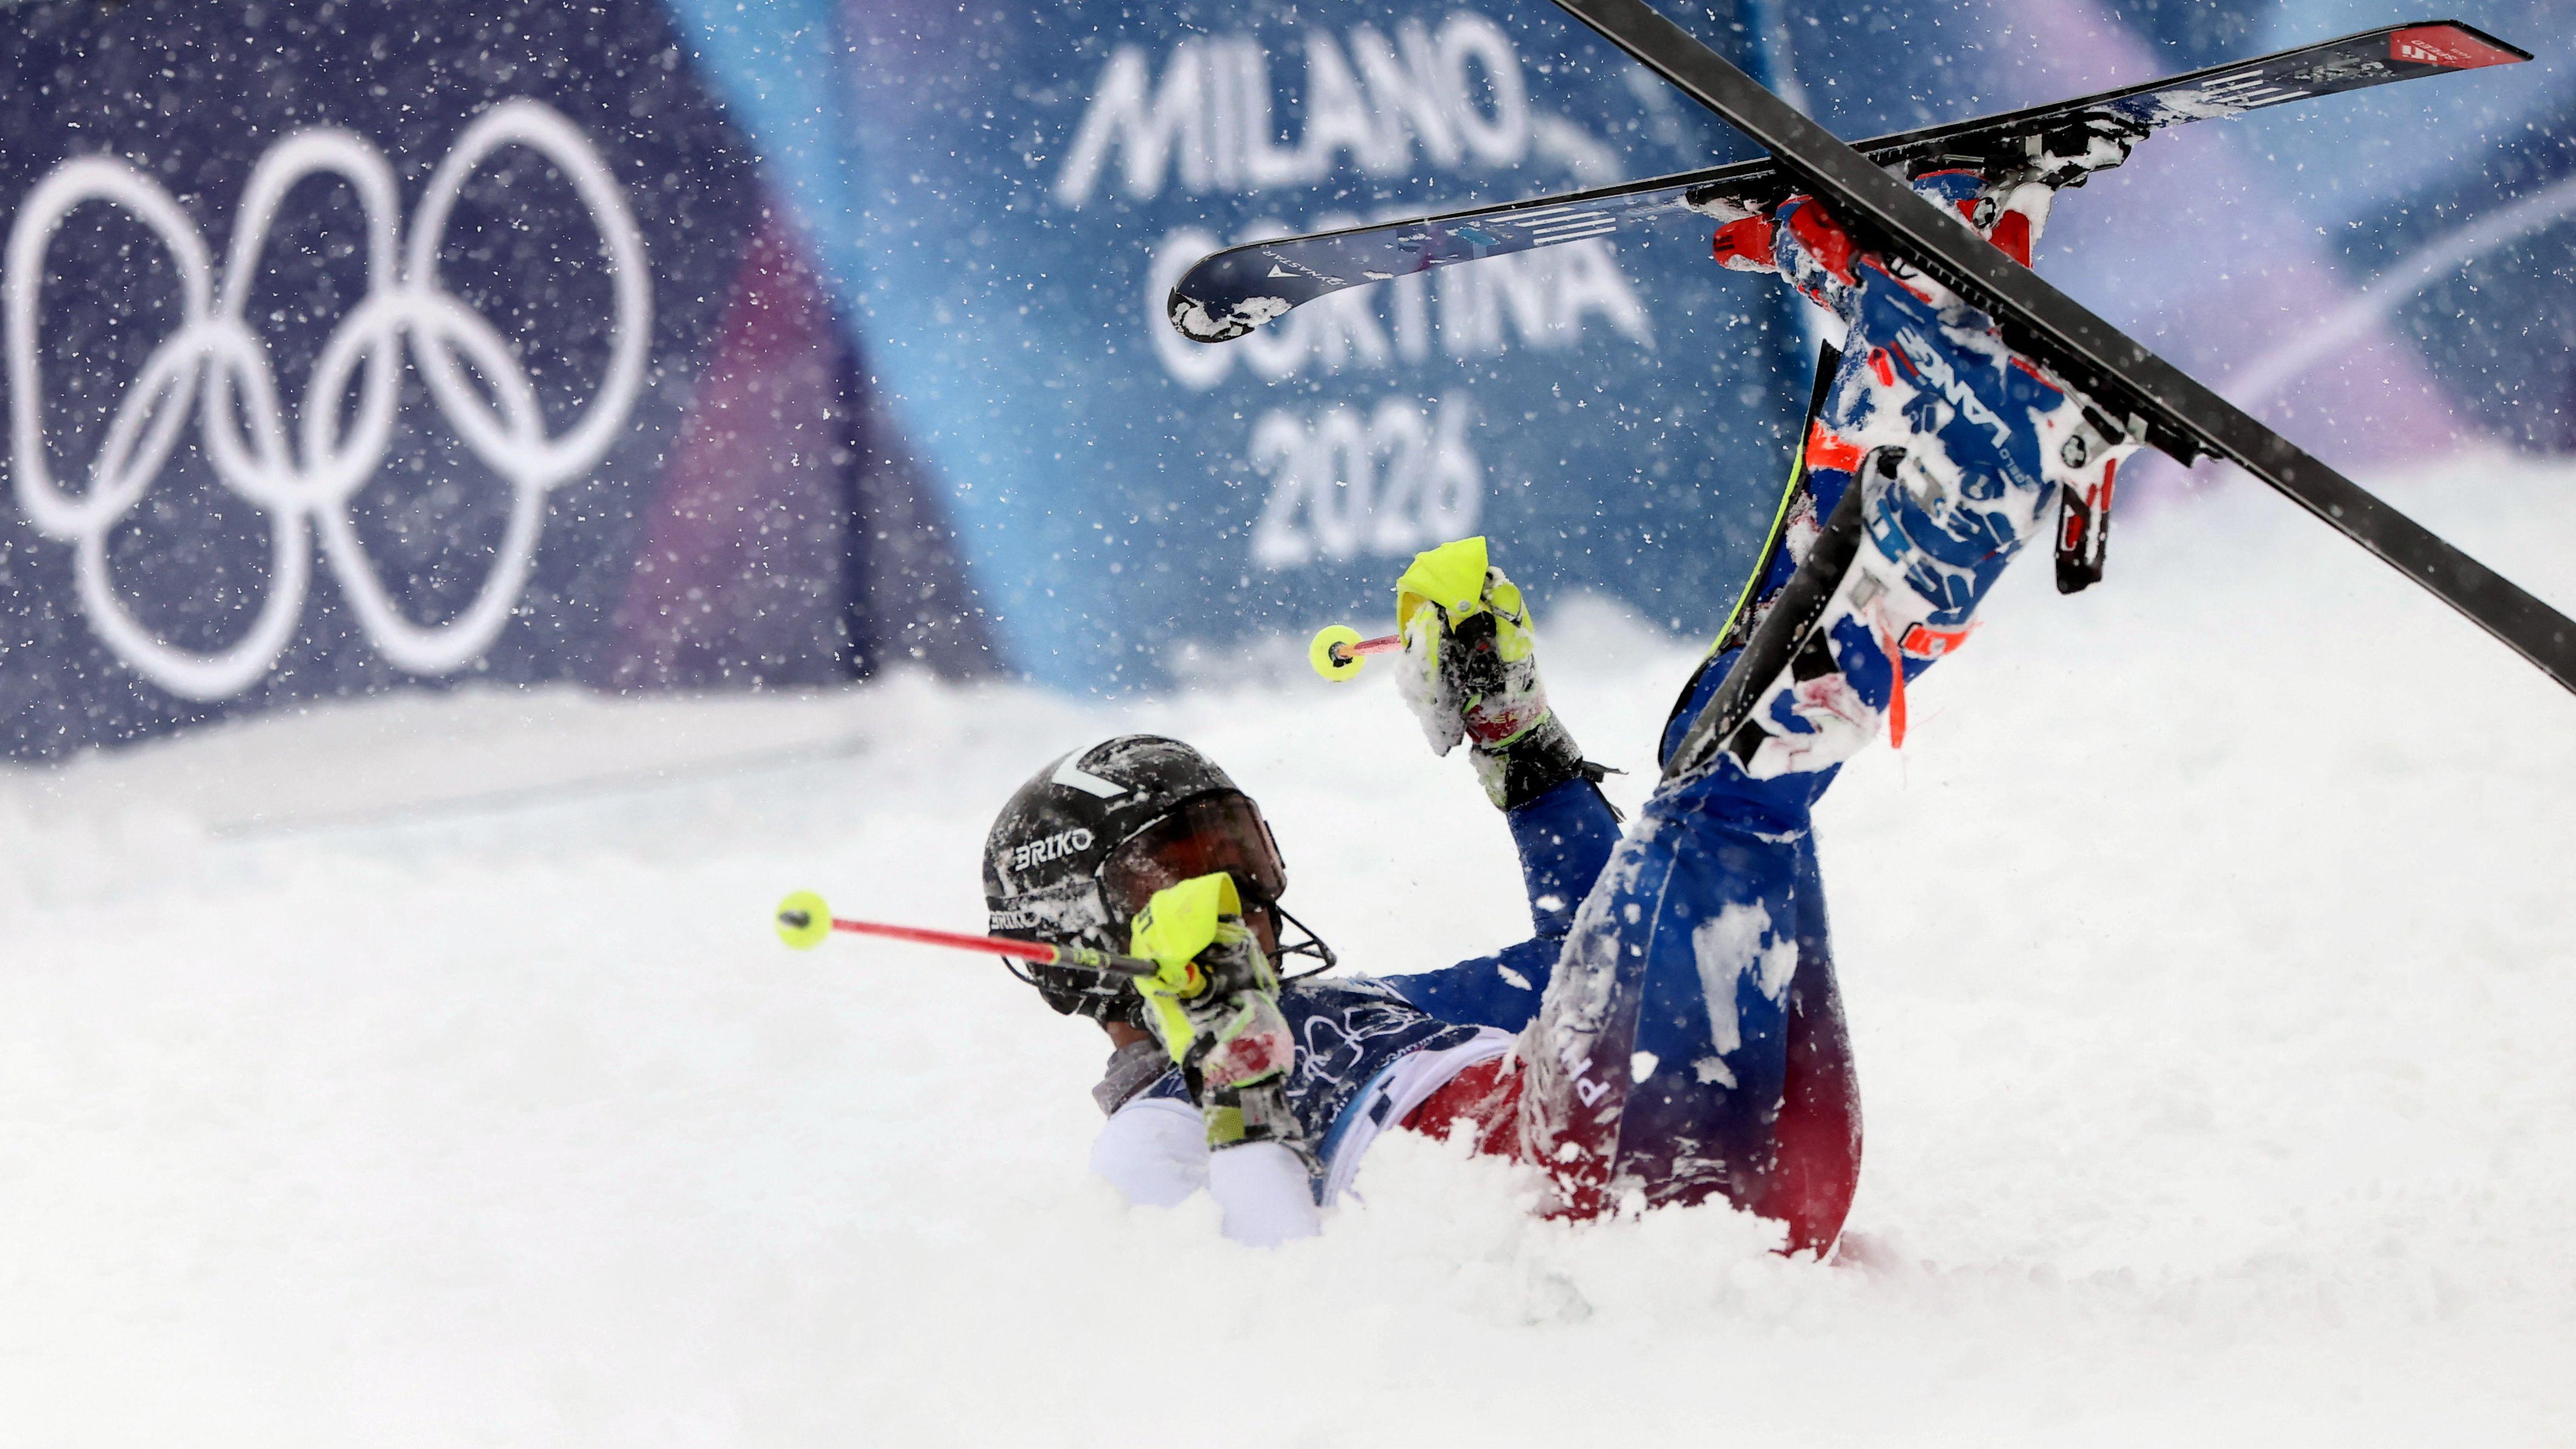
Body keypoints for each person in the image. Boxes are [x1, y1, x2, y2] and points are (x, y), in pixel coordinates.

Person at [982, 138, 2144, 1252]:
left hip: (1740, 1157)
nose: (1238, 896)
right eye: (1176, 875)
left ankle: (1917, 327)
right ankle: (1974, 472)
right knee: (1728, 790)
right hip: (1580, 1195)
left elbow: (1590, 963)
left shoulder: (1353, 1004)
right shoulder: (1150, 1139)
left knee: (1722, 749)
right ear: (1079, 948)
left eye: (1239, 848)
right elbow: (1278, 1300)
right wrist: (1239, 1086)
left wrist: (1520, 748)